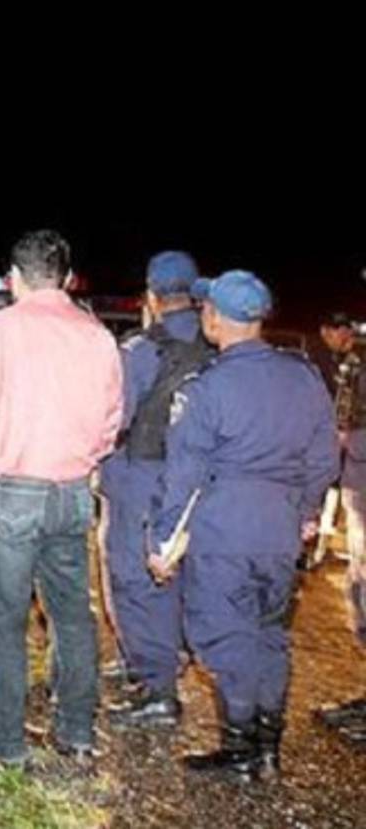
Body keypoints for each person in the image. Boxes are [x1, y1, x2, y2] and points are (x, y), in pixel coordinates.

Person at [148, 270, 339, 781]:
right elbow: (323, 461)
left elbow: (184, 474)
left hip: (224, 531)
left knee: (224, 638)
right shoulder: (303, 376)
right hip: (279, 531)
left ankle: (240, 752)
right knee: (269, 638)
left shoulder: (207, 388)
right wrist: (304, 514)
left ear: (214, 319)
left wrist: (163, 542)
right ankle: (266, 749)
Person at [0, 229, 123, 768]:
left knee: (4, 619)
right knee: (72, 615)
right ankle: (75, 732)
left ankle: (3, 742)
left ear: (13, 279)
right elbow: (111, 420)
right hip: (71, 493)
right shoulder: (97, 336)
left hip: (12, 494)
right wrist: (80, 459)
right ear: (68, 279)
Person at [102, 251, 215, 729]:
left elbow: (115, 417)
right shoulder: (220, 343)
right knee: (188, 575)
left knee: (138, 579)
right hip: (205, 481)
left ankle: (156, 688)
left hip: (144, 477)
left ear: (151, 296)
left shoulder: (142, 351)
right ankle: (171, 657)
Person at [314, 315, 365, 749]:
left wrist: (344, 440)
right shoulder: (354, 361)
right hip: (357, 484)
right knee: (358, 589)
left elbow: (348, 426)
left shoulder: (358, 360)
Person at [310, 312, 358, 566]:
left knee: (331, 490)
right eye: (341, 332)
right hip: (316, 440)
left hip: (332, 439)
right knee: (318, 492)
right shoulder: (316, 360)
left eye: (348, 333)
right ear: (325, 331)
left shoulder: (339, 359)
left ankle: (320, 543)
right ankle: (309, 548)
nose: (346, 338)